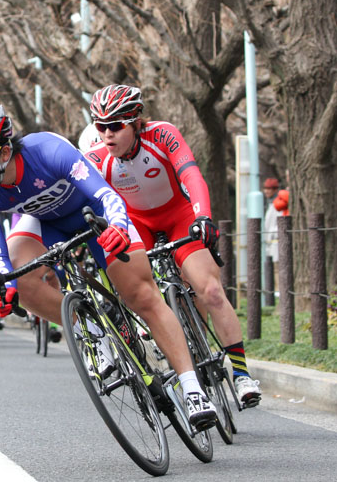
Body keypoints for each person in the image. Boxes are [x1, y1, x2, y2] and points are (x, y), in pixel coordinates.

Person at [0, 97, 217, 428]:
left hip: (96, 214)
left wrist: (118, 226)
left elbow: (106, 195)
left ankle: (192, 389)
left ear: (3, 152)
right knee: (21, 279)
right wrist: (4, 286)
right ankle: (86, 328)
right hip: (46, 224)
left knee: (142, 296)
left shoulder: (46, 150)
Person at [84, 84, 261, 408]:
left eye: (115, 126)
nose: (107, 134)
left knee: (209, 290)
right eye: (100, 126)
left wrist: (203, 216)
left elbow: (191, 175)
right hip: (136, 223)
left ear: (137, 122)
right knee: (139, 292)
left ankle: (240, 374)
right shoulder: (96, 158)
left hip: (178, 214)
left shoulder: (162, 135)